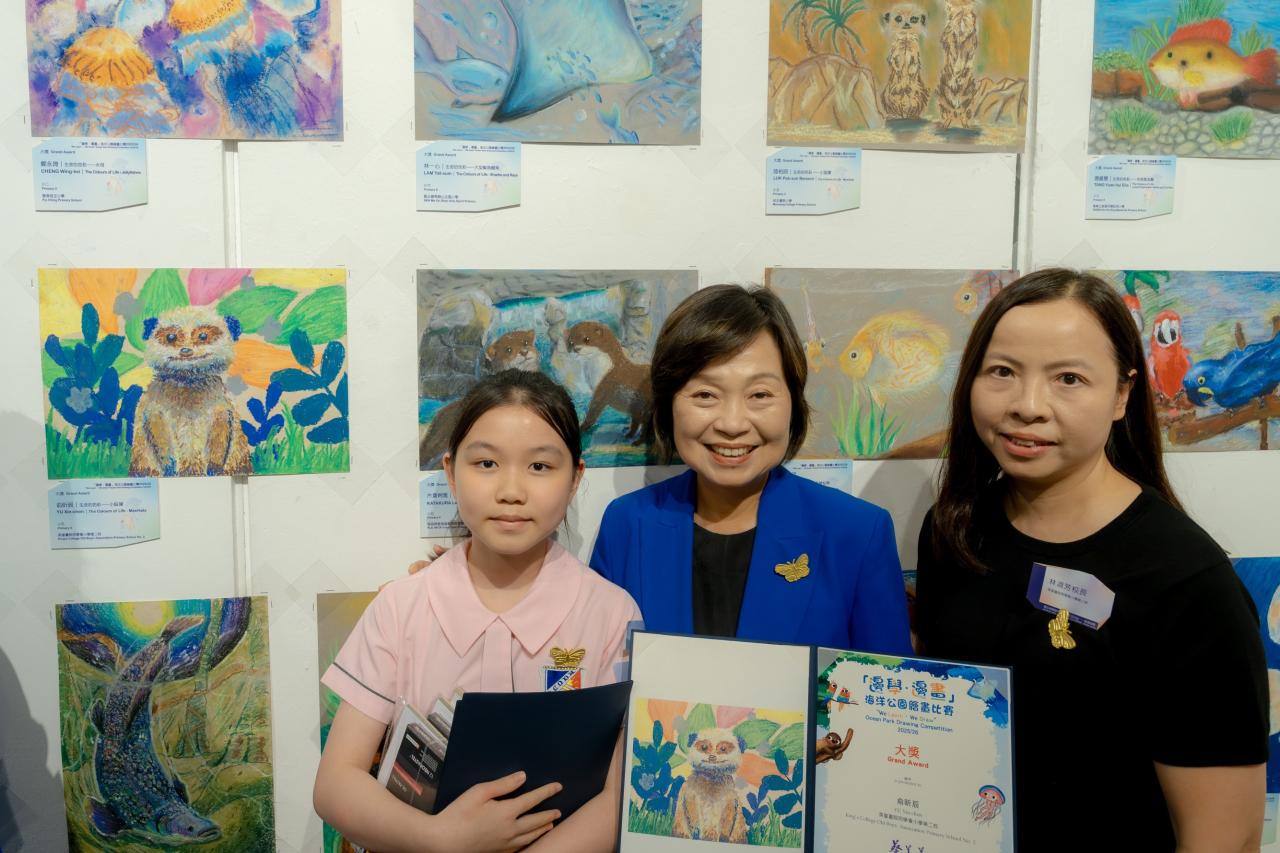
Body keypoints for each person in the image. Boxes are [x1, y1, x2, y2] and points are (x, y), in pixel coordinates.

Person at [914, 269, 1267, 851]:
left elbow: (1224, 838)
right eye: (1002, 372)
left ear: (1122, 395)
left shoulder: (1185, 579)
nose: (1027, 406)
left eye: (1069, 379)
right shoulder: (954, 531)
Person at [316, 370, 641, 853]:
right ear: (450, 472)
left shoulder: (611, 614)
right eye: (486, 463)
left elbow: (620, 796)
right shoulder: (400, 608)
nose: (511, 490)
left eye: (540, 466)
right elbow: (336, 783)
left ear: (575, 478)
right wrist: (441, 838)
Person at [593, 284, 912, 651]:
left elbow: (881, 684)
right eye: (705, 394)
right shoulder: (626, 524)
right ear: (669, 406)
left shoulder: (858, 533)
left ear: (794, 403)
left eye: (759, 395)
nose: (732, 424)